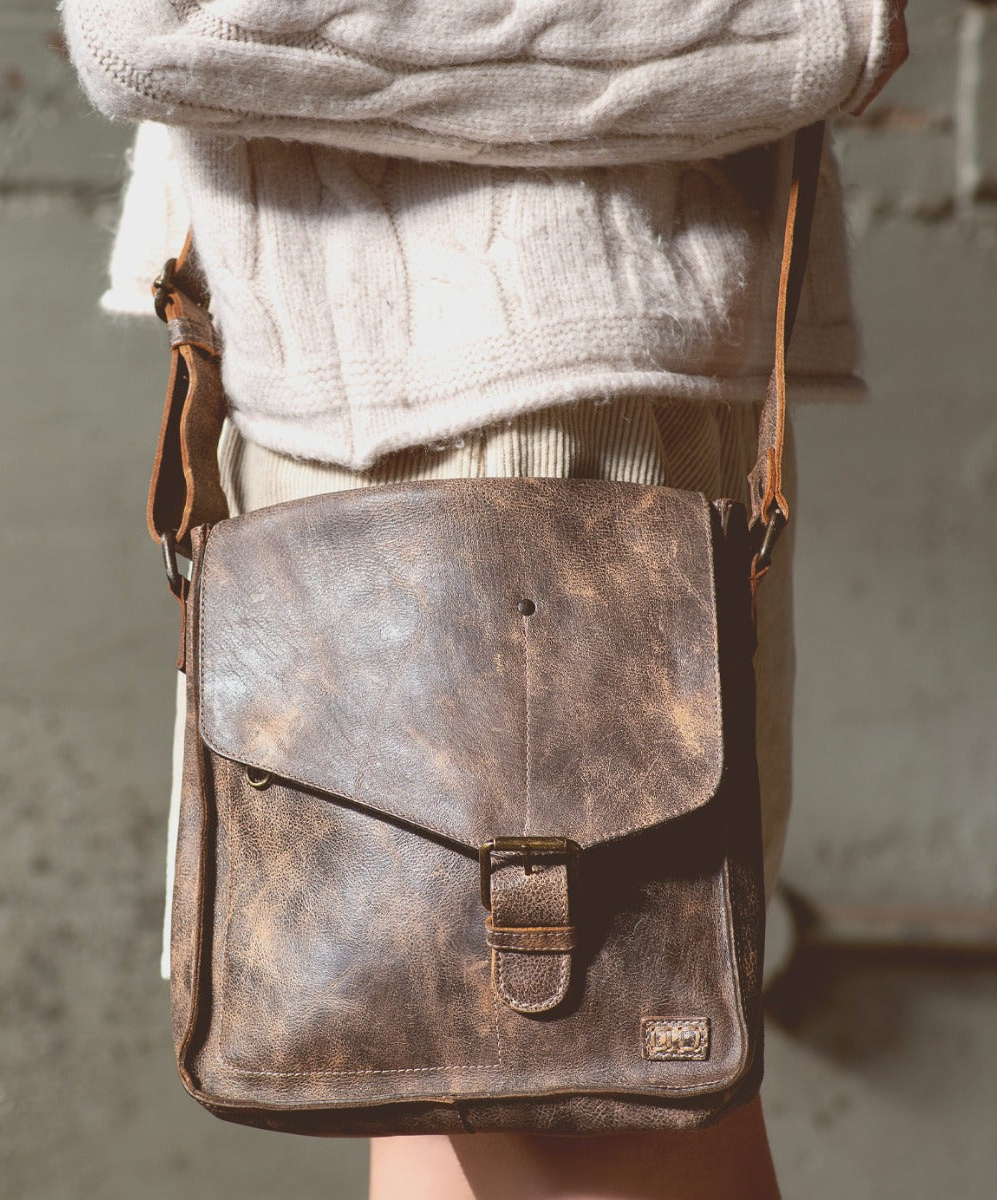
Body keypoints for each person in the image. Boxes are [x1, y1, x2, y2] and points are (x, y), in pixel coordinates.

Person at [63, 3, 908, 1196]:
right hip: (482, 409)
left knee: (491, 1087)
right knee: (550, 1113)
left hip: (562, 400)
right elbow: (161, 27)